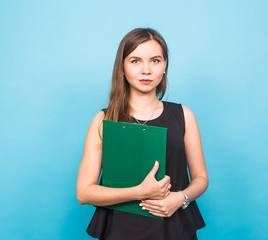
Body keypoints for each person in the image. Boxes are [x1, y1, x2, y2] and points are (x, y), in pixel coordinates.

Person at [76, 28, 208, 240]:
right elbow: (84, 193)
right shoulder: (103, 120)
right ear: (122, 67)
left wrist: (181, 198)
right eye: (135, 61)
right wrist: (140, 191)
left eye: (155, 61)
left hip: (174, 229)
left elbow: (201, 178)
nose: (146, 70)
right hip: (120, 230)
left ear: (165, 66)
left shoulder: (184, 116)